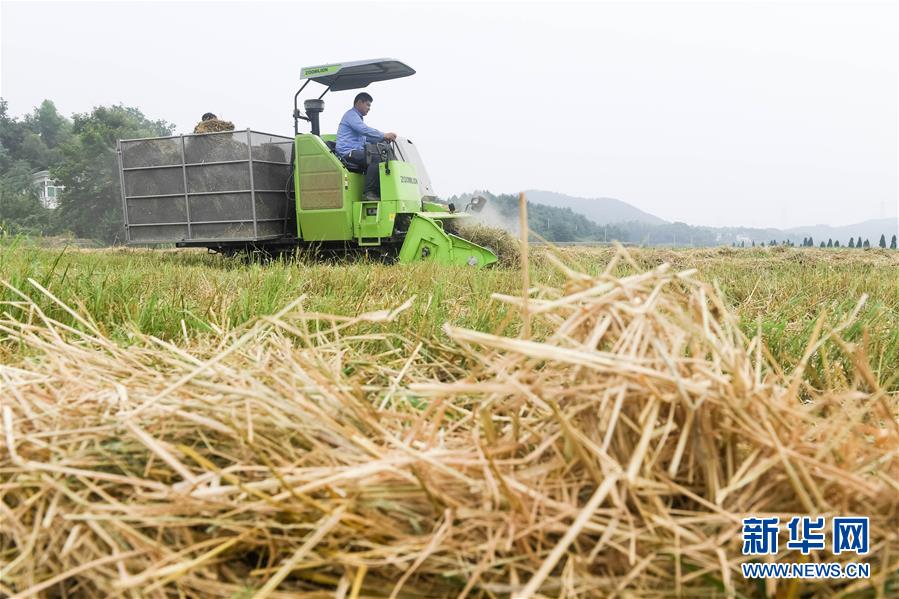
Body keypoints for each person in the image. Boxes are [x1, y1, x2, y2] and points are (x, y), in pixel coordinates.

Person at [335, 93, 397, 200]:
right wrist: (384, 135)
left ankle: (381, 191)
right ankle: (369, 193)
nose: (369, 109)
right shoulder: (351, 116)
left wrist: (383, 139)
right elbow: (364, 130)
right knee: (375, 157)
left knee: (383, 156)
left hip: (355, 151)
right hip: (347, 153)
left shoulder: (357, 119)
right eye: (368, 105)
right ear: (359, 102)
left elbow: (366, 138)